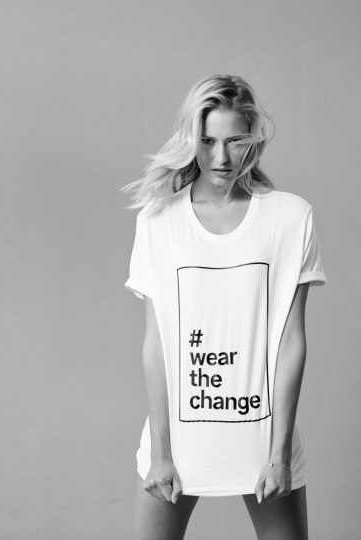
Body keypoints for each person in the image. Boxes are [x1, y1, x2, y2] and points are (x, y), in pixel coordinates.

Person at [120, 74, 327, 540]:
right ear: (191, 139)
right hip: (177, 447)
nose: (221, 157)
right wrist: (161, 454)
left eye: (234, 141)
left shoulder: (290, 218)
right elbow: (157, 345)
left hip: (264, 448)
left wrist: (278, 456)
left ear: (253, 137)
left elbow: (291, 343)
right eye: (208, 141)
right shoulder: (158, 220)